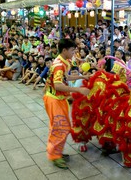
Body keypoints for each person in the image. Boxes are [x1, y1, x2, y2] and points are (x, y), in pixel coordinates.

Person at [43, 39, 89, 169]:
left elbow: (66, 78)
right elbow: (58, 85)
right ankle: (54, 155)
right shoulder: (59, 65)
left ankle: (56, 152)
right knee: (60, 127)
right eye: (72, 50)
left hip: (59, 99)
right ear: (64, 50)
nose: (74, 53)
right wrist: (78, 89)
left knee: (62, 126)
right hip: (54, 100)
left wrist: (82, 77)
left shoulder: (64, 61)